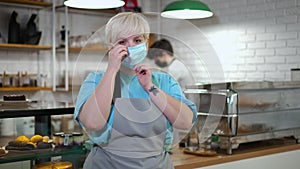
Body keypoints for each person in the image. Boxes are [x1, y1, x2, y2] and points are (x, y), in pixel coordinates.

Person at [74, 12, 197, 169]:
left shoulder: (165, 81)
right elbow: (93, 122)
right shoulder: (96, 80)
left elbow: (184, 121)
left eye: (137, 40)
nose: (130, 46)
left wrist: (150, 88)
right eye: (122, 42)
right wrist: (112, 70)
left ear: (146, 45)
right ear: (111, 47)